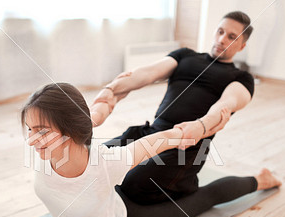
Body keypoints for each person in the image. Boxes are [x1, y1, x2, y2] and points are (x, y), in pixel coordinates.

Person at [22, 83, 281, 217]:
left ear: (69, 129)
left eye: (42, 131)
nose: (33, 140)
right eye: (30, 130)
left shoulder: (105, 163)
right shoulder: (44, 153)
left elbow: (159, 141)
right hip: (103, 199)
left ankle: (262, 180)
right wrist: (107, 100)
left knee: (204, 200)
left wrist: (206, 127)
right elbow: (88, 120)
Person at [91, 11, 257, 205]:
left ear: (242, 45)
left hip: (186, 147)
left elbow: (225, 105)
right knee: (96, 161)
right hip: (152, 132)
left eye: (231, 37)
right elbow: (147, 73)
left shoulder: (242, 78)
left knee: (132, 182)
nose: (222, 39)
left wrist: (200, 126)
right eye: (220, 31)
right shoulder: (185, 55)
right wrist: (110, 89)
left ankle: (184, 184)